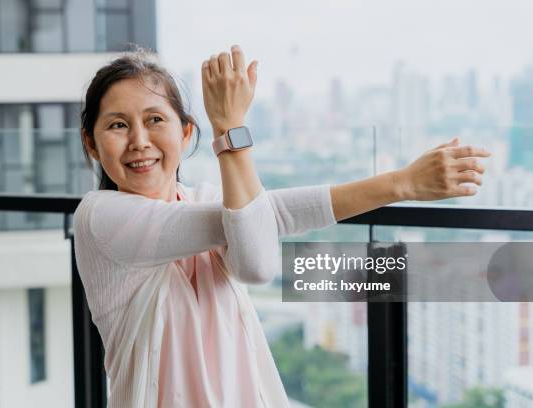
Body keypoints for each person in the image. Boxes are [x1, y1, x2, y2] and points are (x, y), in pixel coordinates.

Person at [73, 44, 491, 407]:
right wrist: (229, 128)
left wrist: (404, 183)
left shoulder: (201, 200)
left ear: (184, 134)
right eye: (117, 125)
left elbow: (259, 226)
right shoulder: (101, 218)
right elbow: (257, 255)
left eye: (155, 120)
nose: (139, 140)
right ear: (91, 142)